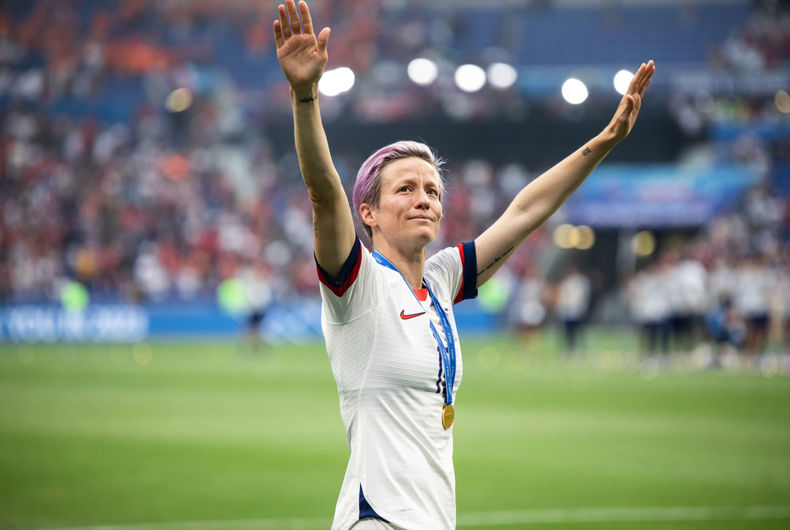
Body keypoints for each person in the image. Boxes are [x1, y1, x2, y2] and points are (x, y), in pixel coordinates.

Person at [273, 1, 655, 528]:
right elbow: (323, 193)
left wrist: (606, 140)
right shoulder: (356, 285)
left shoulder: (440, 279)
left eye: (432, 189)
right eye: (405, 189)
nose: (424, 198)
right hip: (379, 519)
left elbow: (525, 211)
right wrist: (304, 94)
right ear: (369, 213)